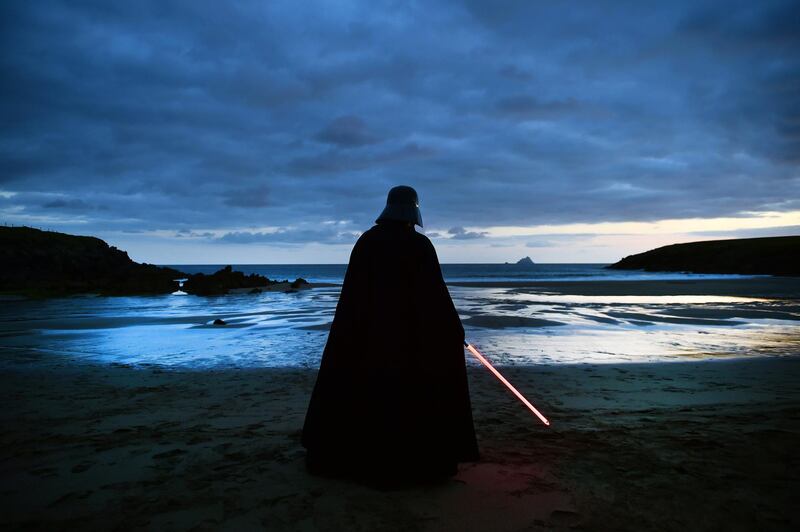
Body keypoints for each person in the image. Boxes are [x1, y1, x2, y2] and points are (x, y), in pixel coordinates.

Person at [301, 185, 479, 483]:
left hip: (365, 339)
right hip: (411, 341)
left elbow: (353, 297)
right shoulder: (419, 246)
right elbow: (436, 294)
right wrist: (452, 328)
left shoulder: (366, 243)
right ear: (413, 210)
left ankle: (358, 454)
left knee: (365, 392)